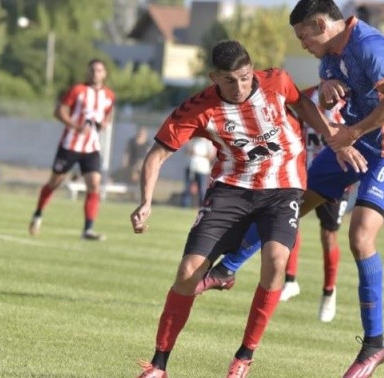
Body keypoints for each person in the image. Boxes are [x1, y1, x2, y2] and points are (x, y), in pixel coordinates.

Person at [199, 0, 384, 377]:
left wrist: (353, 131)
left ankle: (374, 345)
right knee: (289, 200)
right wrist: (329, 80)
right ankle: (226, 269)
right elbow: (334, 70)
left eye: (304, 38)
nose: (303, 45)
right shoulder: (332, 49)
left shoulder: (370, 45)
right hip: (349, 143)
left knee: (361, 236)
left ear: (321, 25)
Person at [130, 40, 362, 378]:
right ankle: (159, 365)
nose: (239, 87)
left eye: (245, 77)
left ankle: (244, 356)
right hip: (230, 190)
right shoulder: (198, 108)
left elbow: (304, 107)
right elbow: (157, 155)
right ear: (213, 78)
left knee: (276, 260)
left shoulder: (277, 80)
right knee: (187, 272)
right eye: (229, 81)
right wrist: (146, 201)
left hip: (283, 188)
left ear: (252, 70)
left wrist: (332, 139)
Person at [200, 84, 351, 323]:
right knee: (286, 221)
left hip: (335, 174)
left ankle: (329, 292)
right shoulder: (304, 98)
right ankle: (288, 280)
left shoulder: (349, 104)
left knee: (328, 236)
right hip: (300, 174)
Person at [28, 59, 115, 241]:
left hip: (92, 147)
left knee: (94, 185)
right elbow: (59, 111)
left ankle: (88, 229)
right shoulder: (78, 90)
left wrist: (105, 124)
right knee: (55, 182)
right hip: (70, 145)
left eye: (99, 70)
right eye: (92, 70)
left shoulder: (109, 95)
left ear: (104, 74)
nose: (95, 73)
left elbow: (108, 115)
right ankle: (38, 214)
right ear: (87, 72)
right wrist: (75, 126)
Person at [181, 136, 215, 208]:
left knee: (201, 188)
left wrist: (199, 154)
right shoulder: (192, 141)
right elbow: (187, 151)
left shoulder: (208, 142)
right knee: (187, 187)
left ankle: (201, 205)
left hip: (202, 168)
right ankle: (185, 205)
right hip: (191, 167)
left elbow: (211, 155)